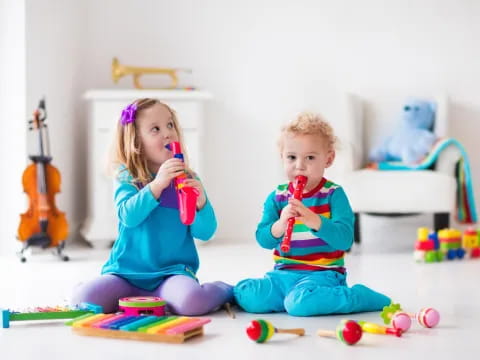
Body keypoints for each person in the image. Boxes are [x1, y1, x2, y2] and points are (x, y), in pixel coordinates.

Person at [72, 98, 233, 315]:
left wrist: (201, 202)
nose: (167, 133)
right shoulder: (127, 175)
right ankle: (89, 288)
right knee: (84, 300)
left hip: (172, 274)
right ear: (137, 143)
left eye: (170, 125)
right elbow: (128, 216)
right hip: (125, 274)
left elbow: (205, 232)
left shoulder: (188, 178)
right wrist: (157, 185)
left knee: (192, 302)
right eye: (155, 129)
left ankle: (226, 290)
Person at [233, 112, 391, 316]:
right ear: (282, 157)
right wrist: (281, 224)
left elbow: (344, 240)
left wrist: (315, 221)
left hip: (323, 275)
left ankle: (357, 297)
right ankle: (291, 297)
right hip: (283, 274)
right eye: (291, 157)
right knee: (247, 294)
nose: (299, 165)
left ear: (328, 158)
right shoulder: (277, 197)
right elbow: (263, 239)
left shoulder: (334, 195)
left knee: (299, 304)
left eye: (310, 157)